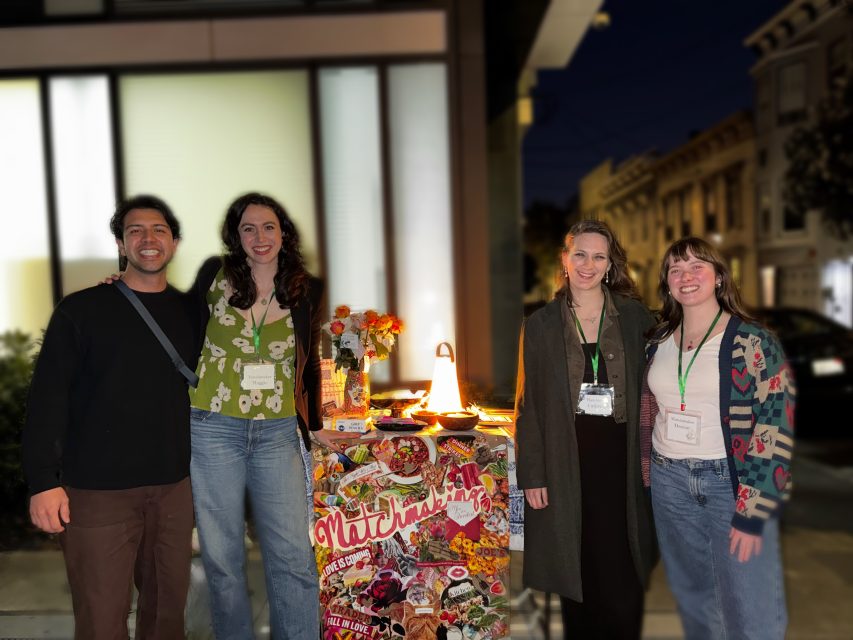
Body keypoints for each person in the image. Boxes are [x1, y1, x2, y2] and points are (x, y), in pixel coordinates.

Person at [23, 195, 197, 639]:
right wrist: (43, 481)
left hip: (172, 489)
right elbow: (47, 398)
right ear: (121, 244)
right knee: (102, 617)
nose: (148, 239)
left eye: (158, 230)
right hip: (97, 493)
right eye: (135, 231)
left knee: (167, 615)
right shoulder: (81, 311)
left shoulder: (194, 313)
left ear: (174, 243)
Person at [187, 192, 336, 639]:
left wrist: (316, 424)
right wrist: (126, 281)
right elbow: (177, 324)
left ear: (283, 232)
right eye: (248, 228)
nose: (259, 237)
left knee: (292, 554)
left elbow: (307, 361)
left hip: (276, 432)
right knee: (223, 557)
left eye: (268, 226)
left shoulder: (307, 287)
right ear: (236, 236)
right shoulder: (214, 275)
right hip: (213, 426)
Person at [640, 237, 795, 639]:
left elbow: (775, 422)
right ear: (667, 283)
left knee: (751, 605)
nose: (686, 276)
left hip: (733, 482)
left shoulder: (754, 341)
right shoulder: (657, 341)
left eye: (697, 266)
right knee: (696, 602)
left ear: (719, 277)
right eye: (676, 269)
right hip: (669, 482)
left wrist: (753, 509)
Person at [514, 219, 657, 638]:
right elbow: (527, 406)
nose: (588, 264)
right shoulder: (539, 325)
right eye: (580, 254)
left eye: (598, 256)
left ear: (610, 264)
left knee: (623, 574)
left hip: (622, 461)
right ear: (564, 259)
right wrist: (533, 473)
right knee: (575, 568)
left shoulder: (635, 318)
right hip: (565, 460)